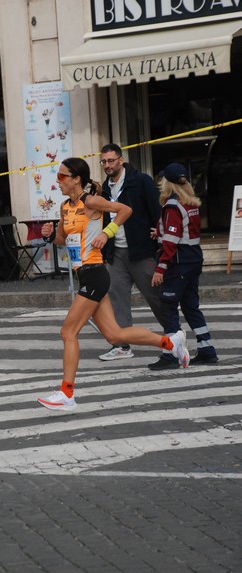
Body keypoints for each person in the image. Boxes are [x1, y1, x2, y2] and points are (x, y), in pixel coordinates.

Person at [36, 158, 189, 412]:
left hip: (96, 274)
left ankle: (67, 394)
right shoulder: (65, 207)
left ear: (77, 179)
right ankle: (171, 343)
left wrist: (106, 233)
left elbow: (125, 210)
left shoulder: (92, 201)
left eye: (62, 176)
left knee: (68, 332)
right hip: (85, 275)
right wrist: (51, 234)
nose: (58, 181)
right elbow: (62, 240)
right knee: (115, 335)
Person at [97, 143, 165, 362]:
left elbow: (157, 210)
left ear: (120, 160)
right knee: (116, 298)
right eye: (103, 161)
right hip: (116, 252)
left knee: (155, 296)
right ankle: (122, 345)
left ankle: (173, 335)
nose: (107, 165)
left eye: (110, 160)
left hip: (142, 250)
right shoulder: (103, 189)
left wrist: (159, 231)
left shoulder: (140, 181)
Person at [149, 163, 218, 369]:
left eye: (162, 180)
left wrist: (160, 268)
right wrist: (159, 233)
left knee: (168, 305)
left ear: (168, 183)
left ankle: (170, 355)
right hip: (194, 260)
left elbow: (171, 241)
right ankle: (207, 350)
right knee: (190, 306)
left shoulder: (172, 206)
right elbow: (183, 232)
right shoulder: (191, 203)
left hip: (178, 263)